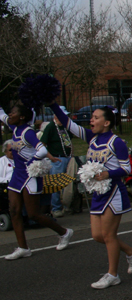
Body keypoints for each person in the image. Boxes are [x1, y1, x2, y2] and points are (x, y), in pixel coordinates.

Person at [50, 104, 132, 288]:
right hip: (97, 193)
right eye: (92, 117)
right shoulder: (91, 137)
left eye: (95, 117)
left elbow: (126, 168)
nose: (91, 120)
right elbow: (67, 123)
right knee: (97, 236)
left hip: (113, 192)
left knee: (109, 235)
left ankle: (113, 275)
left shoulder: (117, 142)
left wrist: (108, 173)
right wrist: (53, 104)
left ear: (106, 122)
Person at [1, 104, 73, 260]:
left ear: (22, 117)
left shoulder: (28, 132)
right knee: (14, 211)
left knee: (33, 214)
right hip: (17, 175)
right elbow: (2, 115)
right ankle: (23, 248)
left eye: (13, 112)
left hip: (30, 175)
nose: (10, 114)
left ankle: (64, 232)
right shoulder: (14, 127)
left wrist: (31, 161)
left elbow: (41, 150)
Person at [39, 112, 73, 218]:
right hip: (57, 159)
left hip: (68, 157)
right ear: (55, 117)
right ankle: (56, 208)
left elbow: (69, 141)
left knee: (67, 183)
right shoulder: (51, 127)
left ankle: (68, 205)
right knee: (57, 185)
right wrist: (50, 157)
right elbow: (42, 144)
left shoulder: (66, 126)